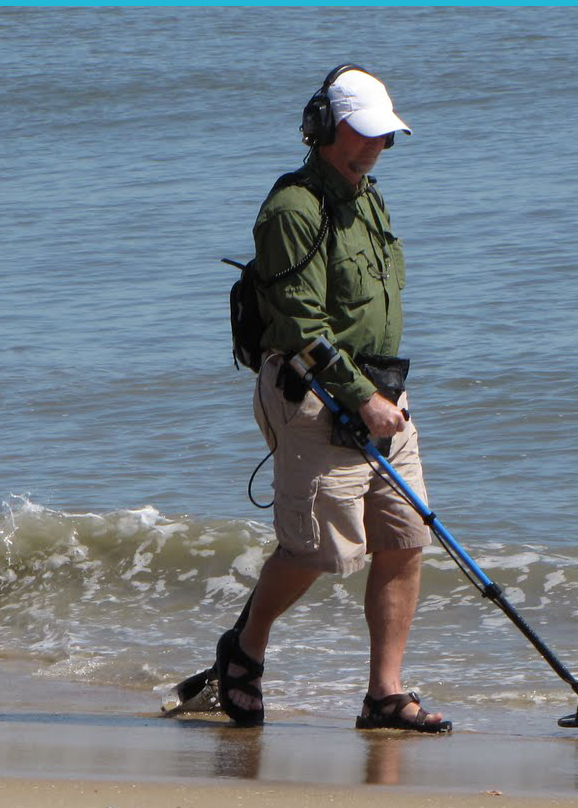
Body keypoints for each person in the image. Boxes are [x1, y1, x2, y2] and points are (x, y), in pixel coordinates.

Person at [214, 64, 447, 734]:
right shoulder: (292, 209)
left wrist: (381, 397)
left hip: (381, 393)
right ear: (322, 129)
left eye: (383, 135)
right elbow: (298, 328)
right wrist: (358, 396)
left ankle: (384, 694)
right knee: (320, 552)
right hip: (314, 396)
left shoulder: (367, 196)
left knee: (405, 539)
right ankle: (245, 648)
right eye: (362, 133)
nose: (374, 147)